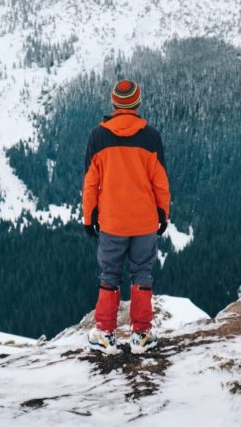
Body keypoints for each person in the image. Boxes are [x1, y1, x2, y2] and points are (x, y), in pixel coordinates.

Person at [82, 79, 170, 354]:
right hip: (144, 221)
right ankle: (141, 334)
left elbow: (90, 182)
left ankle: (105, 334)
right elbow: (160, 182)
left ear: (114, 103)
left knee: (110, 274)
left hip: (112, 221)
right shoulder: (151, 136)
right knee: (142, 273)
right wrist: (162, 213)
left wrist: (89, 216)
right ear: (137, 103)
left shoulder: (98, 136)